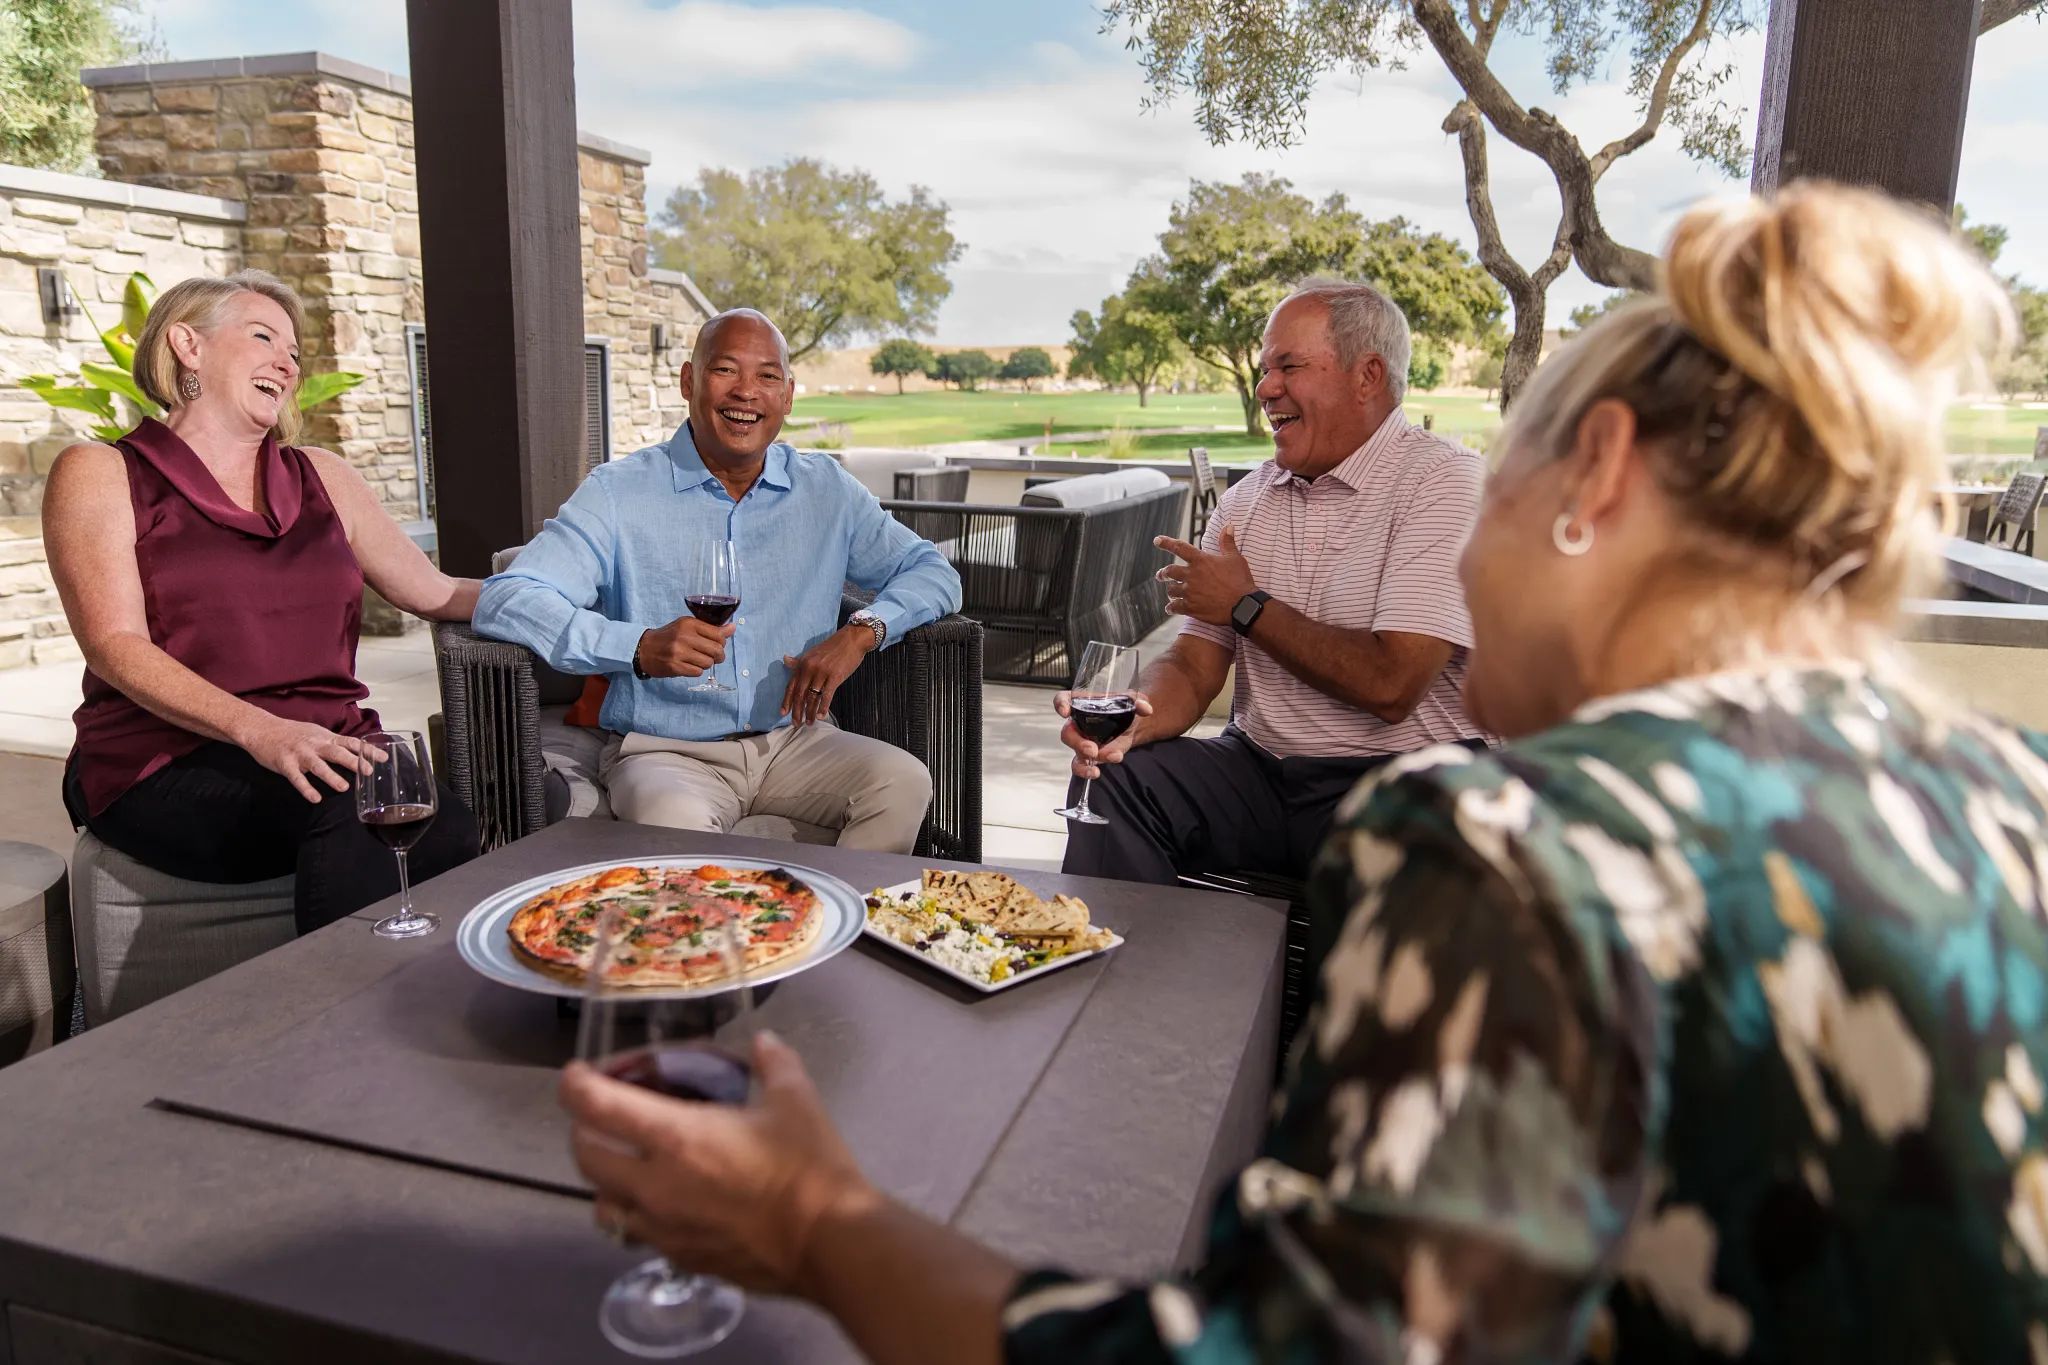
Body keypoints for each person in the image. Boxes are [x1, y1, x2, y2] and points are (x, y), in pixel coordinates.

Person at [559, 182, 2048, 1361]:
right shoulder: (2011, 789)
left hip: (1362, 781)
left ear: (1593, 478)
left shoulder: (1515, 849)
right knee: (1132, 790)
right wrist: (1153, 705)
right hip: (1262, 760)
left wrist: (818, 1225)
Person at [44, 270, 480, 934]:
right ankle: (327, 1023)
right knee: (355, 809)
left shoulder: (321, 476)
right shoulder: (101, 472)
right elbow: (113, 645)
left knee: (447, 821)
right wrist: (262, 731)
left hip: (325, 746)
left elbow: (438, 591)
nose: (287, 361)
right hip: (165, 758)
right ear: (188, 345)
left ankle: (420, 1007)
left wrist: (582, 601)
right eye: (262, 336)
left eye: (294, 353)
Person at [473, 309, 961, 852]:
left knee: (905, 780)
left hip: (796, 742)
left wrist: (862, 632)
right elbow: (508, 599)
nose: (747, 392)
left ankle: (838, 924)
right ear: (689, 381)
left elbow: (933, 572)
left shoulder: (828, 490)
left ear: (789, 394)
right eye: (726, 370)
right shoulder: (617, 493)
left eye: (768, 376)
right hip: (666, 753)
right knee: (672, 821)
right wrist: (636, 646)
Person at [1058, 278, 1490, 887]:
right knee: (1118, 780)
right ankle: (1129, 977)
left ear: (1367, 376)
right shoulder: (1246, 503)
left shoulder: (1444, 485)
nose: (1265, 388)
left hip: (1406, 784)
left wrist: (1246, 605)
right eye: (1265, 370)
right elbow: (1193, 663)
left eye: (1288, 366)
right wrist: (1137, 717)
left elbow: (1393, 685)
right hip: (1260, 770)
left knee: (1419, 859)